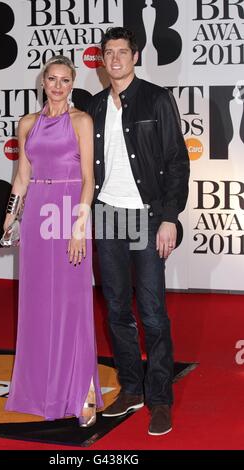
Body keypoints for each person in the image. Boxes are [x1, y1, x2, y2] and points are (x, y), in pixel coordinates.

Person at [87, 27, 189, 435]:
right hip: (108, 214)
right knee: (115, 310)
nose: (114, 59)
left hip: (147, 215)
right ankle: (131, 388)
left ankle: (160, 397)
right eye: (107, 52)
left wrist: (169, 217)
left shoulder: (157, 98)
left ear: (135, 56)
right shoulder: (93, 106)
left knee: (151, 312)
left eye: (122, 52)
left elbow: (177, 161)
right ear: (101, 60)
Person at [3, 55, 103, 427]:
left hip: (67, 214)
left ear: (72, 84)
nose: (57, 86)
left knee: (73, 307)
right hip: (35, 218)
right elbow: (21, 179)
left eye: (64, 80)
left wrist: (79, 227)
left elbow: (89, 179)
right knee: (37, 305)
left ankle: (82, 394)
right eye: (52, 79)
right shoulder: (28, 123)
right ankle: (39, 391)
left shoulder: (81, 120)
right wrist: (10, 215)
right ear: (42, 82)